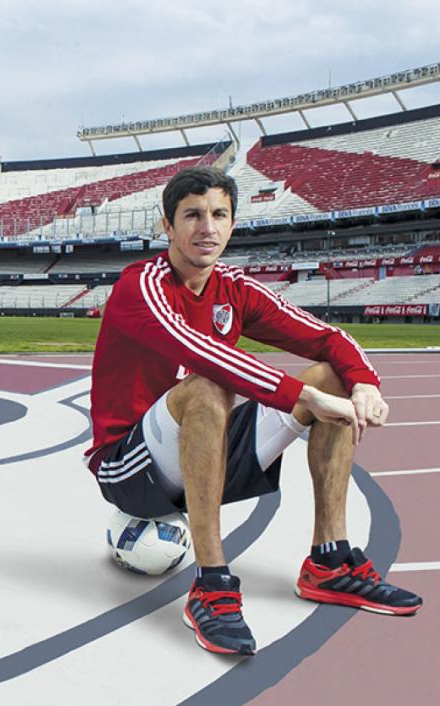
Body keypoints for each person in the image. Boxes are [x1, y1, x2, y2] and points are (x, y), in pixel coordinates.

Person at [86, 167, 421, 656]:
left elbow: (327, 337)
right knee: (207, 387)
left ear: (233, 223)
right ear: (167, 227)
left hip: (203, 452)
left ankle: (329, 562)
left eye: (219, 214)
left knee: (330, 374)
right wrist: (304, 399)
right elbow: (201, 352)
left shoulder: (235, 289)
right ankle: (211, 585)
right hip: (130, 466)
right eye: (193, 215)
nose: (208, 228)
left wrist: (363, 383)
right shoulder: (143, 285)